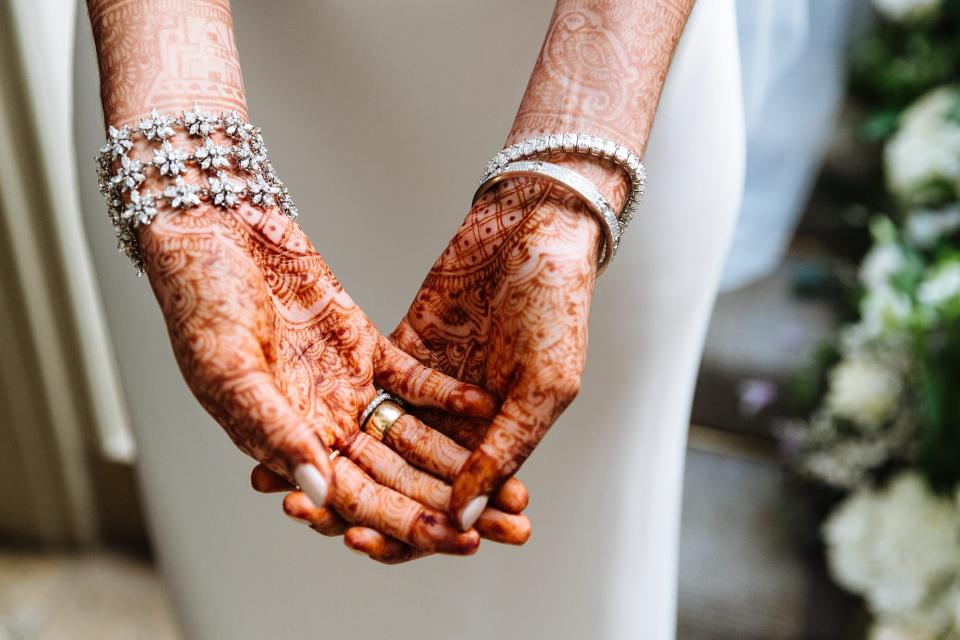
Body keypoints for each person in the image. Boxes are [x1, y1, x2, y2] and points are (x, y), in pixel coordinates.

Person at [82, 0, 743, 637]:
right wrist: (187, 183)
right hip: (180, 88)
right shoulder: (184, 158)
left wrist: (568, 179)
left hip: (617, 70)